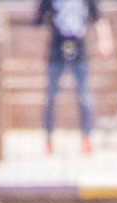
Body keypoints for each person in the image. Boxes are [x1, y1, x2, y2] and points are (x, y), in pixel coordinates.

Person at [35, 0, 94, 153]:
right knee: (51, 97)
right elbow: (39, 18)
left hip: (79, 48)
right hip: (57, 49)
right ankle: (48, 138)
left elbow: (96, 16)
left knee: (84, 97)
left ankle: (86, 137)